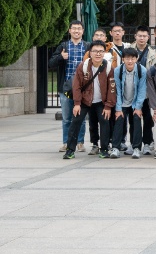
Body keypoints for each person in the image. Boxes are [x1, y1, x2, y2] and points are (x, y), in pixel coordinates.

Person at [63, 41, 117, 159]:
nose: (98, 54)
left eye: (101, 51)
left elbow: (112, 88)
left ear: (104, 53)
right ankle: (70, 150)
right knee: (76, 121)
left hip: (101, 101)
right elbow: (76, 86)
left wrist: (108, 106)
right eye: (95, 51)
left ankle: (104, 149)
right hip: (84, 101)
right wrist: (77, 103)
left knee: (104, 121)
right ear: (90, 53)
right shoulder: (83, 66)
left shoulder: (108, 67)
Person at [49, 20, 89, 152]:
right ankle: (66, 142)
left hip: (83, 88)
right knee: (66, 118)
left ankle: (80, 142)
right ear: (69, 30)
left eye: (79, 28)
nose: (76, 31)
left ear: (83, 31)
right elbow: (51, 63)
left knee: (81, 117)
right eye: (74, 28)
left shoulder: (87, 46)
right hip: (66, 88)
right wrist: (60, 57)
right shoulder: (63, 46)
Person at [112, 48, 147, 159]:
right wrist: (118, 108)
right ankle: (115, 148)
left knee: (136, 120)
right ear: (123, 59)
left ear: (136, 59)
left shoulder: (142, 70)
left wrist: (138, 107)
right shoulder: (117, 71)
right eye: (127, 58)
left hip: (135, 102)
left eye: (132, 58)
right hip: (122, 101)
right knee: (119, 120)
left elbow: (142, 90)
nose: (130, 61)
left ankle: (136, 148)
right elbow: (117, 91)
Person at [133, 25, 156, 155]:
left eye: (144, 36)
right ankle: (134, 144)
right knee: (134, 118)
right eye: (139, 36)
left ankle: (147, 143)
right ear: (135, 36)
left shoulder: (152, 53)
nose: (142, 38)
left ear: (148, 37)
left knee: (148, 118)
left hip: (148, 91)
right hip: (132, 90)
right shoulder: (129, 50)